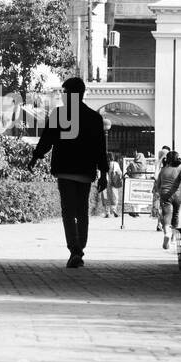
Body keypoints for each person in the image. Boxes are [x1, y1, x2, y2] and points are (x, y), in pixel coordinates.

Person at [29, 77, 108, 268]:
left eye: (64, 92)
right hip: (85, 172)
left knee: (68, 212)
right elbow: (100, 148)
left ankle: (75, 250)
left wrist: (35, 157)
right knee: (82, 212)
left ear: (72, 94)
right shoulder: (94, 118)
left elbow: (47, 139)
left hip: (64, 170)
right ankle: (78, 249)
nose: (63, 96)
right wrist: (103, 173)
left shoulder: (59, 114)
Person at [155, 149, 181, 250]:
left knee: (166, 215)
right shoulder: (180, 169)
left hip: (165, 195)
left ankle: (167, 233)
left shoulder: (163, 170)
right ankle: (172, 238)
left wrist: (161, 193)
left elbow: (158, 184)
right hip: (177, 194)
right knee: (176, 215)